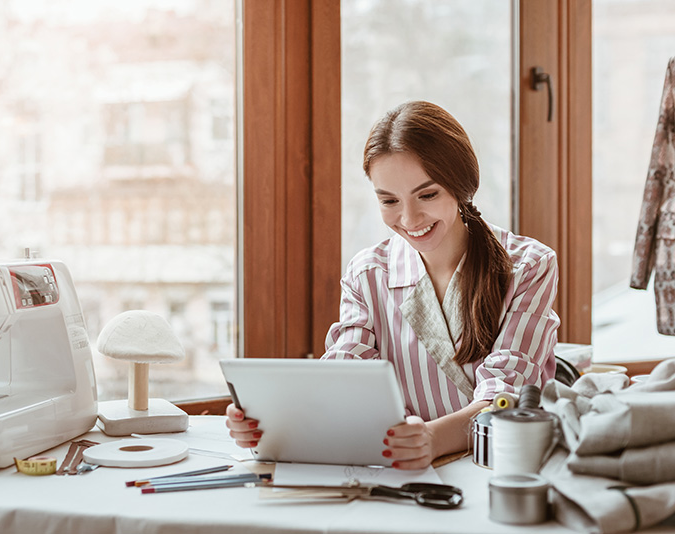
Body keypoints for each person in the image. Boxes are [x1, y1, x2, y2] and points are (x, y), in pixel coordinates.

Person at [226, 100, 560, 469]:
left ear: (461, 184)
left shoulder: (530, 264)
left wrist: (432, 439)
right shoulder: (368, 273)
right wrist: (270, 423)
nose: (409, 218)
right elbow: (344, 378)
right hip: (406, 468)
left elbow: (505, 395)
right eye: (389, 200)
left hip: (507, 464)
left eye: (427, 194)